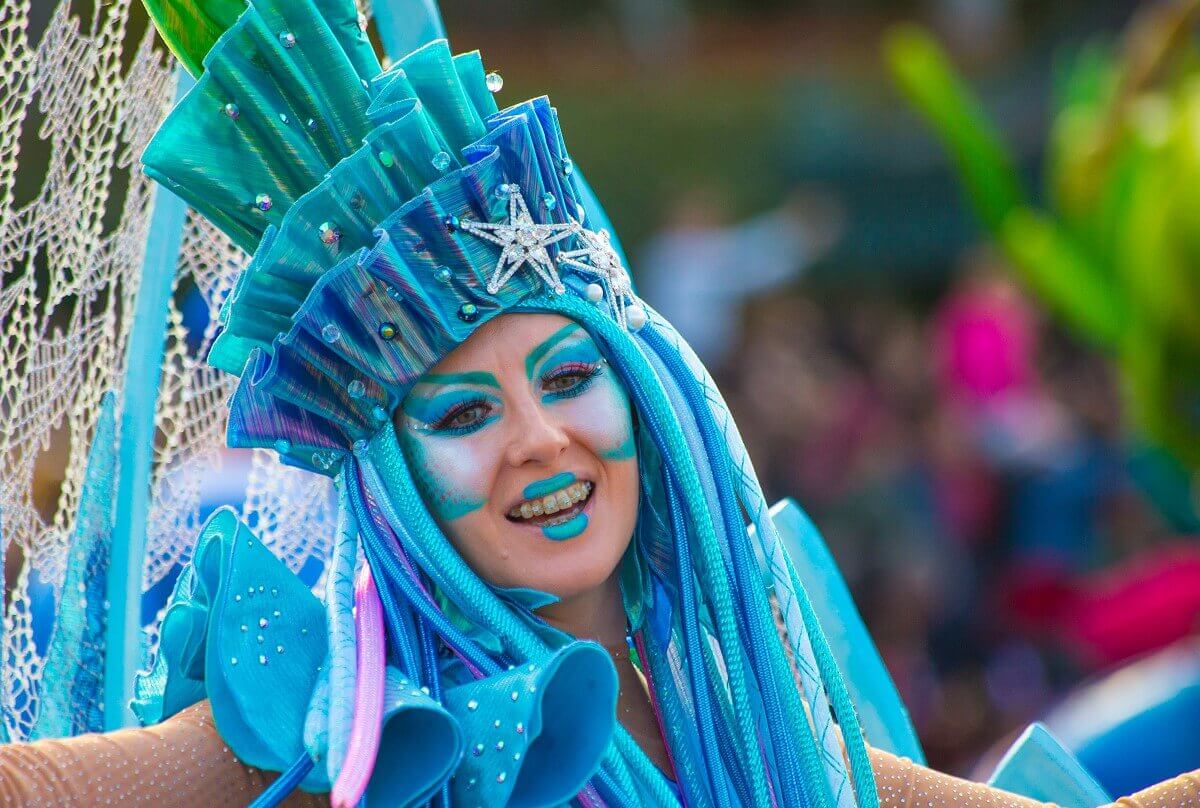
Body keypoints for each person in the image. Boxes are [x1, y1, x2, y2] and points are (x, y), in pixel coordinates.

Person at [0, 0, 1198, 805]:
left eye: (569, 379)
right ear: (397, 484)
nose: (539, 438)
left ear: (652, 396)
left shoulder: (762, 729)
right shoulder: (355, 722)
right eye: (463, 415)